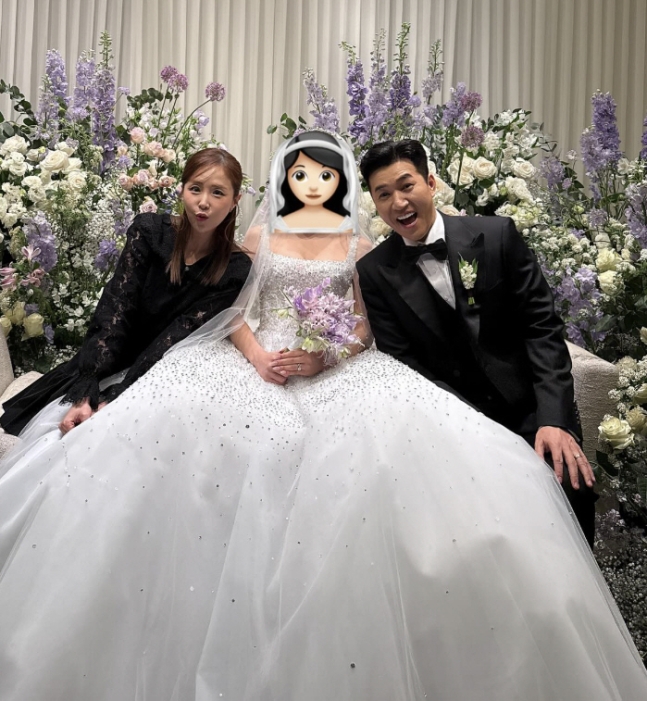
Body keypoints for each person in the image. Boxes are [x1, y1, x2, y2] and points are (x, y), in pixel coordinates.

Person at [0, 130, 646, 701]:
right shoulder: (259, 236)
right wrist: (260, 356)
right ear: (286, 179)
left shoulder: (361, 243)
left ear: (341, 183)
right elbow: (233, 311)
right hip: (255, 360)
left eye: (325, 175)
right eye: (301, 173)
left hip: (331, 367)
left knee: (396, 453)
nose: (312, 184)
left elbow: (365, 326)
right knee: (180, 430)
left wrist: (325, 354)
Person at [356, 138, 598, 545]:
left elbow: (541, 328)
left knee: (568, 489)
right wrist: (472, 432)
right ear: (375, 204)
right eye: (383, 195)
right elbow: (407, 365)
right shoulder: (375, 272)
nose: (398, 202)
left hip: (531, 411)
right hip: (455, 424)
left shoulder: (497, 235)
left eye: (406, 185)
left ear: (430, 183)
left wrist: (554, 419)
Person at [0, 146, 252, 437]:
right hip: (107, 356)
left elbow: (177, 336)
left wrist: (120, 394)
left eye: (218, 193)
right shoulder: (151, 232)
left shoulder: (235, 269)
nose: (203, 202)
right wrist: (90, 381)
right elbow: (117, 305)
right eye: (195, 189)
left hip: (158, 377)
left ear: (235, 200)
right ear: (182, 190)